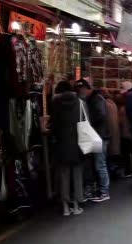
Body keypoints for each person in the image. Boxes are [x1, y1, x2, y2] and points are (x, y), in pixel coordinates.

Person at [50, 81, 84, 216]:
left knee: (64, 174)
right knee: (76, 174)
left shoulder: (56, 103)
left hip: (62, 143)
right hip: (77, 143)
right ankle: (76, 206)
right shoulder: (80, 102)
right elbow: (85, 121)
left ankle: (65, 207)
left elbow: (53, 125)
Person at [76, 79, 111, 202]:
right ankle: (101, 190)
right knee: (98, 164)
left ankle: (104, 192)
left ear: (87, 88)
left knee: (100, 165)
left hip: (99, 137)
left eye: (82, 89)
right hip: (99, 136)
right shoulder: (94, 98)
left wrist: (89, 124)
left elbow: (100, 115)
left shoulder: (96, 99)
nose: (81, 91)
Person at [101, 88, 121, 177]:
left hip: (109, 133)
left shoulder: (105, 104)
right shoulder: (112, 103)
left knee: (109, 156)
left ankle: (112, 172)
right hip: (115, 133)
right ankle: (115, 170)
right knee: (114, 155)